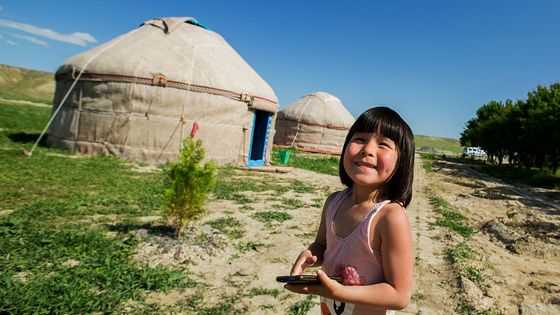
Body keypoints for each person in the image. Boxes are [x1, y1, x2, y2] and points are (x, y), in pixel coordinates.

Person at [285, 107, 414, 315]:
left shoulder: (389, 217)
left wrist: (341, 292)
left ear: (402, 162)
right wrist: (310, 254)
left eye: (383, 144)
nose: (368, 150)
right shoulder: (334, 202)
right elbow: (321, 245)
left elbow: (400, 295)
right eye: (360, 139)